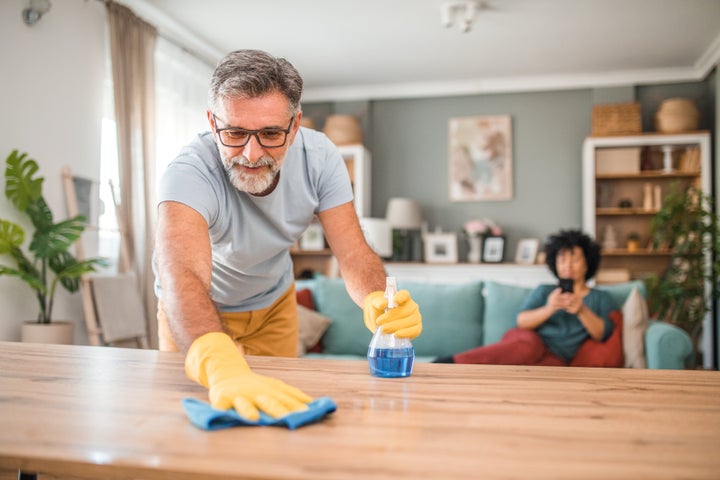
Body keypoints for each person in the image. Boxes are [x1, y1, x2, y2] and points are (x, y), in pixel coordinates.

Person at [154, 49, 422, 421]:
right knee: (187, 424)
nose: (250, 153)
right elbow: (180, 276)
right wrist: (217, 362)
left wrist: (377, 298)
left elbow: (353, 253)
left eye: (269, 134)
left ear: (294, 126)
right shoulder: (187, 173)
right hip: (197, 314)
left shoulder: (321, 158)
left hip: (273, 308)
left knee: (279, 419)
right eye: (234, 132)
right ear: (213, 123)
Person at [434, 229, 615, 365]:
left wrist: (582, 310)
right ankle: (452, 362)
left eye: (574, 259)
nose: (567, 265)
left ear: (587, 263)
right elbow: (521, 322)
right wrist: (549, 308)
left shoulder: (599, 298)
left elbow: (601, 335)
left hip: (557, 358)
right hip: (526, 342)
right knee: (529, 347)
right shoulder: (545, 291)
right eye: (562, 259)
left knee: (549, 372)